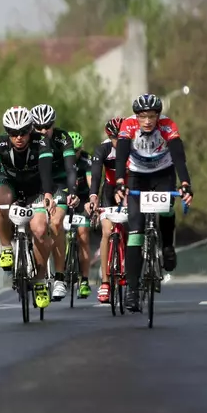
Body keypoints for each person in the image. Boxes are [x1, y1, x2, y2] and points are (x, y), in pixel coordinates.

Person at [114, 94, 193, 312]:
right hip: (137, 176)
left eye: (152, 116)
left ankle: (167, 246)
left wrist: (185, 183)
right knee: (135, 232)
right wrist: (120, 181)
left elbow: (178, 156)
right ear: (136, 116)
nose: (147, 121)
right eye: (143, 116)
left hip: (162, 174)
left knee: (167, 208)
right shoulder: (128, 125)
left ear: (158, 115)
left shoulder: (167, 126)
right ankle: (132, 290)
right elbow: (121, 156)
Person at [0, 106, 55, 308]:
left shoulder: (41, 142)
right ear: (7, 132)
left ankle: (40, 280)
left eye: (24, 132)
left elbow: (46, 172)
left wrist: (48, 194)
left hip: (36, 188)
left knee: (40, 230)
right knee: (0, 201)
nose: (19, 137)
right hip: (11, 185)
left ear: (31, 129)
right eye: (13, 133)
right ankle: (6, 247)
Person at [30, 104, 78, 302]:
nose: (43, 131)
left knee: (56, 223)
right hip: (37, 185)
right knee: (39, 228)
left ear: (53, 125)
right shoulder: (28, 140)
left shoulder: (62, 138)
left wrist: (73, 192)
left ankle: (59, 277)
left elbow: (70, 169)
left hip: (58, 185)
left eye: (47, 126)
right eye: (38, 127)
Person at [86, 117, 124, 303]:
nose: (119, 142)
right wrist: (93, 196)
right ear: (109, 137)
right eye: (114, 138)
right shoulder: (103, 149)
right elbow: (95, 175)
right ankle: (105, 282)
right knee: (107, 231)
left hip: (128, 187)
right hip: (109, 190)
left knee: (133, 227)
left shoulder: (133, 147)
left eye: (122, 137)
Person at [67, 131, 93, 298]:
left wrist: (91, 201)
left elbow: (91, 183)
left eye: (76, 151)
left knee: (83, 235)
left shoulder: (86, 160)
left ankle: (84, 280)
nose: (73, 155)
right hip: (65, 196)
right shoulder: (59, 159)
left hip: (82, 198)